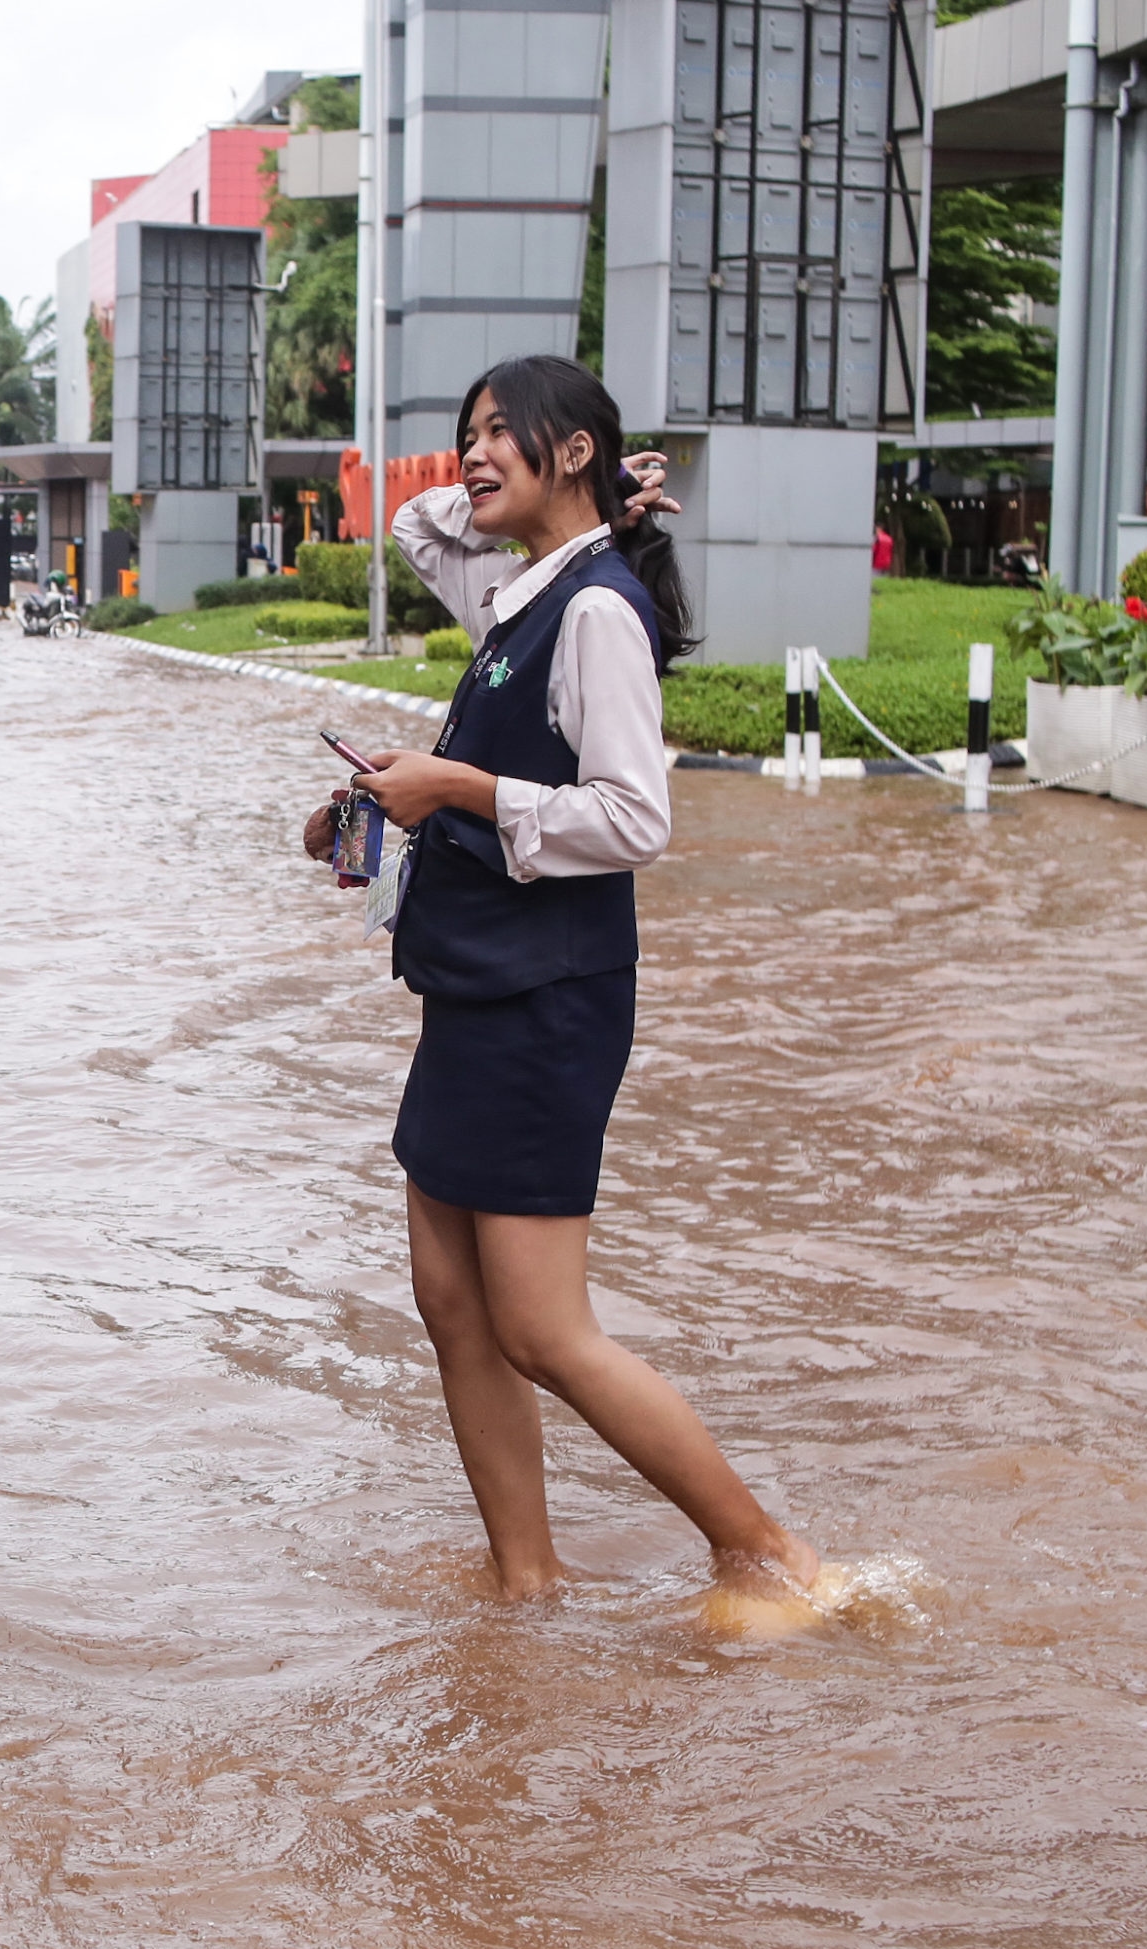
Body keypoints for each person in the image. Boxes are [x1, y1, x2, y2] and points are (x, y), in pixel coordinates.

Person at [300, 354, 822, 1615]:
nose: (469, 460)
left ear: (572, 449)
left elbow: (635, 817)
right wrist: (378, 808)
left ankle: (768, 1554)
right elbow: (429, 520)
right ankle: (525, 1579)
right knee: (450, 1301)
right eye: (463, 431)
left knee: (541, 1326)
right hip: (474, 987)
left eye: (497, 435)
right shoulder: (520, 591)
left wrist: (457, 786)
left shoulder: (592, 611)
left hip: (547, 1001)